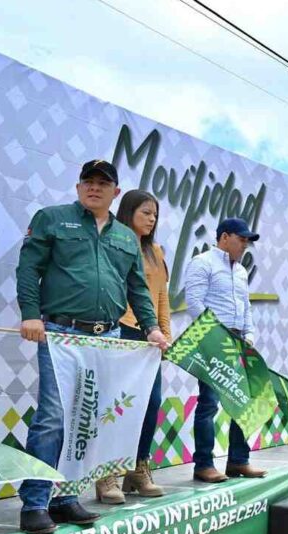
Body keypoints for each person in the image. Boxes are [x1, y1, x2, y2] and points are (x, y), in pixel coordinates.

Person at [15, 159, 169, 534]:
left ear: (116, 193)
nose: (94, 187)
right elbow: (27, 267)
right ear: (79, 186)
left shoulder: (124, 237)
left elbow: (136, 287)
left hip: (108, 337)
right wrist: (31, 314)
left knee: (88, 418)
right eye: (88, 181)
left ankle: (66, 498)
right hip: (61, 332)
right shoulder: (52, 219)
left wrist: (150, 327)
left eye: (103, 183)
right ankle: (35, 502)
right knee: (53, 416)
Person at [92, 189, 171, 503]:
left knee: (151, 404)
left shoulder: (157, 252)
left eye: (154, 214)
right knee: (116, 407)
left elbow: (161, 296)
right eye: (145, 213)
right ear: (127, 212)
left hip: (150, 338)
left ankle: (138, 469)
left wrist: (164, 332)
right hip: (121, 331)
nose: (151, 219)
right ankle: (106, 473)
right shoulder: (116, 244)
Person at [185, 217, 267, 483]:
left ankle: (238, 461)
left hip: (239, 340)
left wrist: (249, 333)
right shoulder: (203, 262)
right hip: (211, 338)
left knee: (245, 400)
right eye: (241, 239)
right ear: (224, 237)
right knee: (209, 403)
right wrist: (217, 334)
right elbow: (194, 302)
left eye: (247, 241)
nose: (245, 245)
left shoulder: (241, 271)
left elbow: (245, 306)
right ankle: (203, 465)